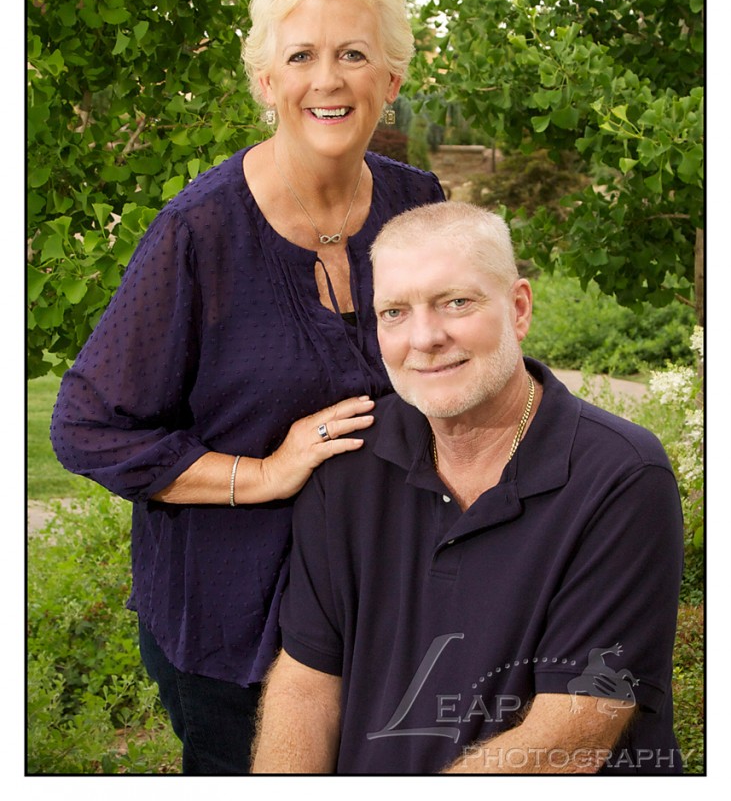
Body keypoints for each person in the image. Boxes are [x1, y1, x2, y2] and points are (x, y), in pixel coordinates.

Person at [50, 0, 444, 775]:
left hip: (386, 616)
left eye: (353, 54)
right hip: (234, 631)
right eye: (300, 55)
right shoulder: (200, 234)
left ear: (391, 81)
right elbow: (84, 427)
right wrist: (261, 473)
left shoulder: (419, 205)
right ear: (267, 82)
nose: (327, 79)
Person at [252, 201, 685, 775]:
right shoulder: (347, 463)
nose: (424, 338)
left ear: (519, 307)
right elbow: (307, 682)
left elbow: (572, 732)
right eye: (394, 313)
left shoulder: (621, 476)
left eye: (456, 302)